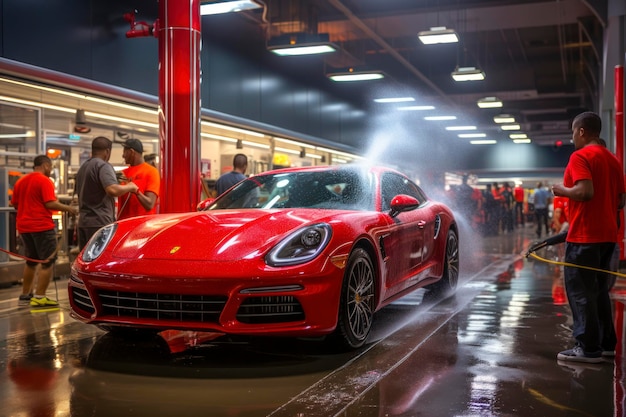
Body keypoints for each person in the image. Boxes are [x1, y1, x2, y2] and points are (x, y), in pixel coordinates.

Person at [552, 111, 625, 363]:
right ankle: (606, 344)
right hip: (608, 237)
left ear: (581, 131)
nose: (573, 138)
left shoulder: (580, 156)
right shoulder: (612, 159)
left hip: (584, 236)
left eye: (573, 132)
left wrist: (561, 190)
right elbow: (621, 200)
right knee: (599, 291)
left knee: (581, 292)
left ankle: (587, 347)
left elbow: (584, 192)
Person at [11, 155, 78, 307]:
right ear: (46, 165)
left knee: (31, 261)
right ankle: (40, 297)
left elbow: (15, 204)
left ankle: (26, 294)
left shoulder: (21, 181)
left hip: (24, 227)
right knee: (47, 261)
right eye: (51, 167)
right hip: (41, 227)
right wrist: (69, 208)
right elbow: (50, 203)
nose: (51, 170)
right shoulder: (44, 180)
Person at [74, 137, 138, 250]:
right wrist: (130, 187)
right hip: (99, 224)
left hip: (84, 223)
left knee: (87, 262)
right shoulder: (103, 166)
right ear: (107, 151)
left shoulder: (83, 167)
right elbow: (112, 190)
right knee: (99, 262)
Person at [117, 138, 160, 220]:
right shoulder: (122, 173)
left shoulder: (151, 172)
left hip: (143, 225)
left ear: (132, 152)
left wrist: (136, 191)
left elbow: (149, 205)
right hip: (123, 223)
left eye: (125, 152)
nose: (123, 155)